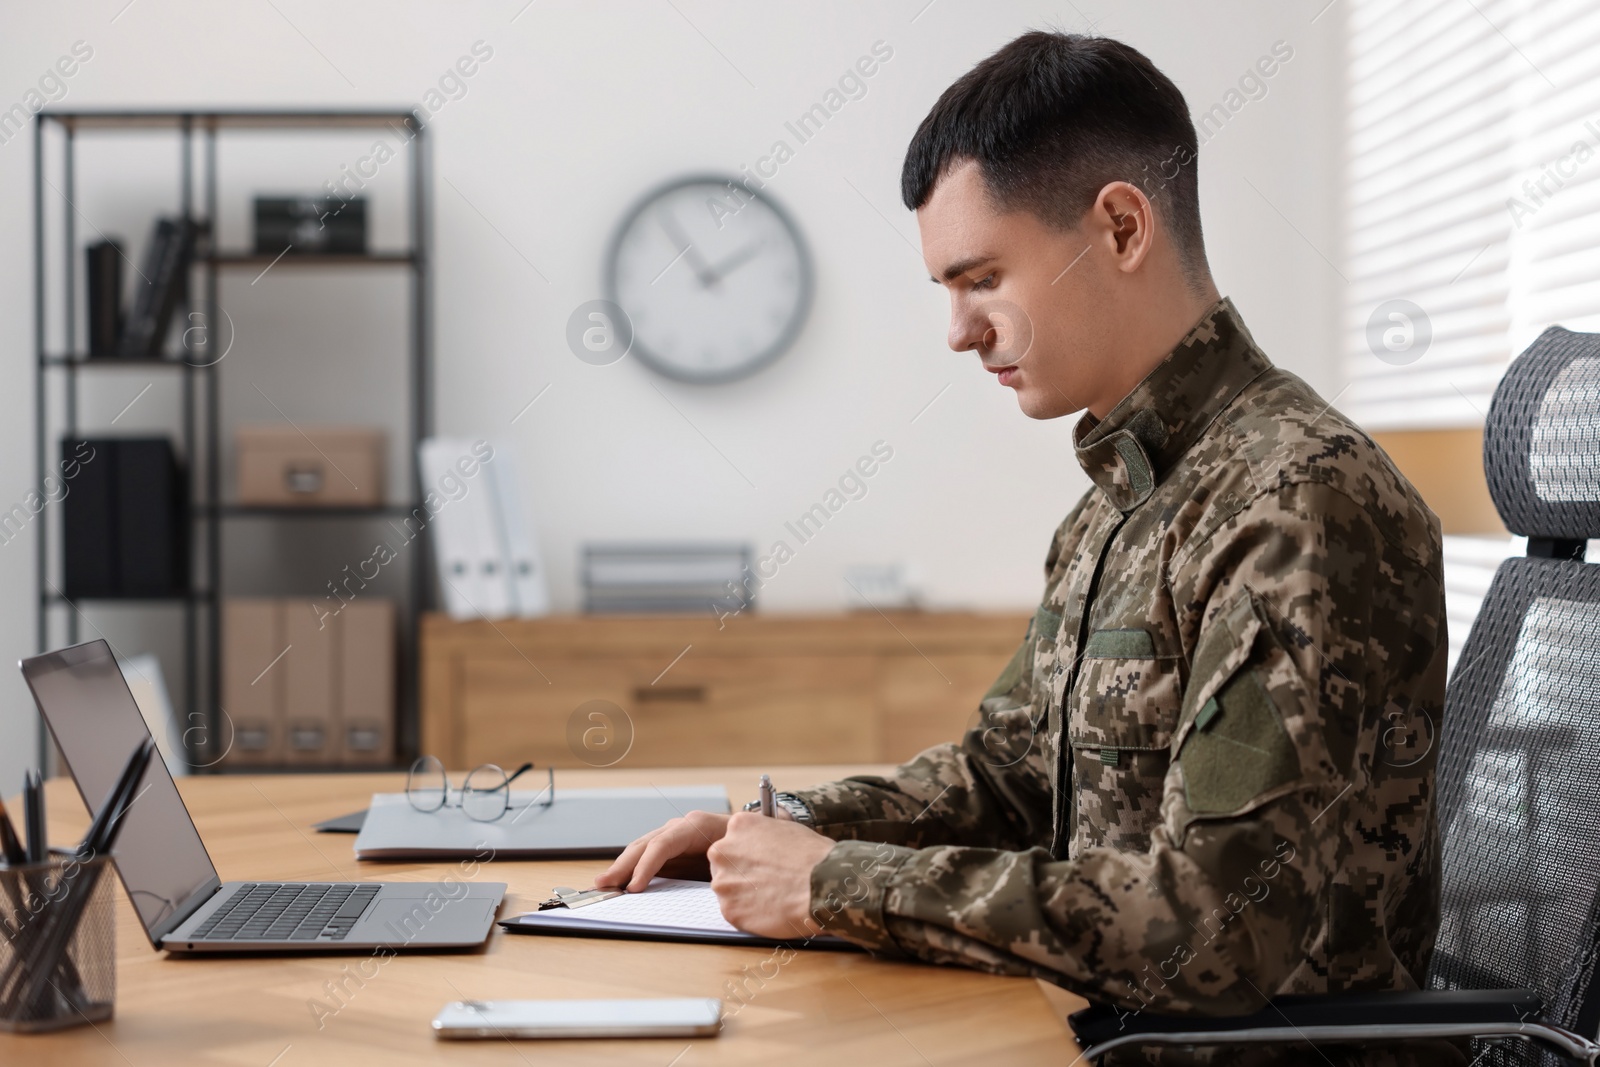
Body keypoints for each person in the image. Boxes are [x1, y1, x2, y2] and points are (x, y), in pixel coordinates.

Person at [598, 31, 1454, 1066]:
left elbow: (1211, 932)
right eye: (947, 289)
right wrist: (773, 826)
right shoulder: (1118, 502)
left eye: (983, 276)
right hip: (1094, 1029)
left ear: (1121, 228)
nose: (959, 331)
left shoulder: (1296, 507)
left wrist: (830, 882)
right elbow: (1005, 778)